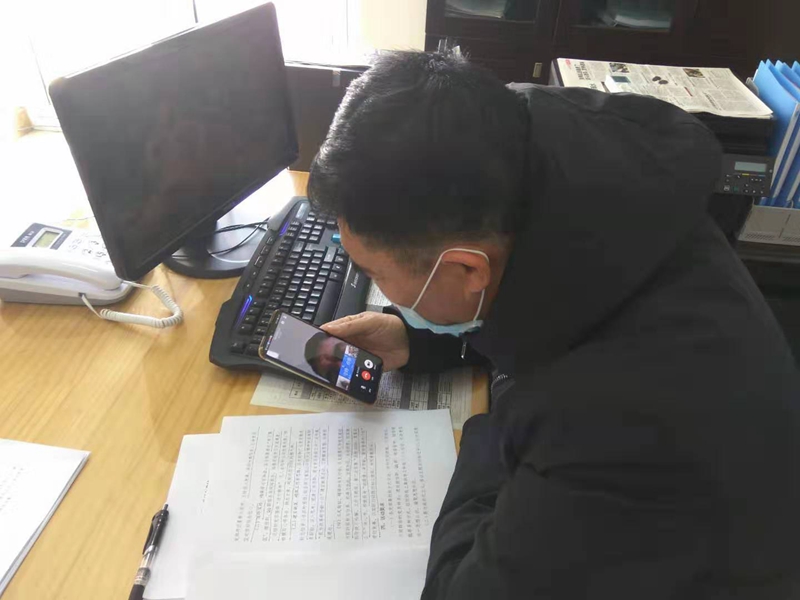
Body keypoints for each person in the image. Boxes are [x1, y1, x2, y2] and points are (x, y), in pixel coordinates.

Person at [309, 51, 800, 598]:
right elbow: (545, 291)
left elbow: (460, 589)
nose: (381, 291)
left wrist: (489, 425)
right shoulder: (539, 148)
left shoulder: (607, 426)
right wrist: (420, 337)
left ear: (467, 270)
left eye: (376, 274)